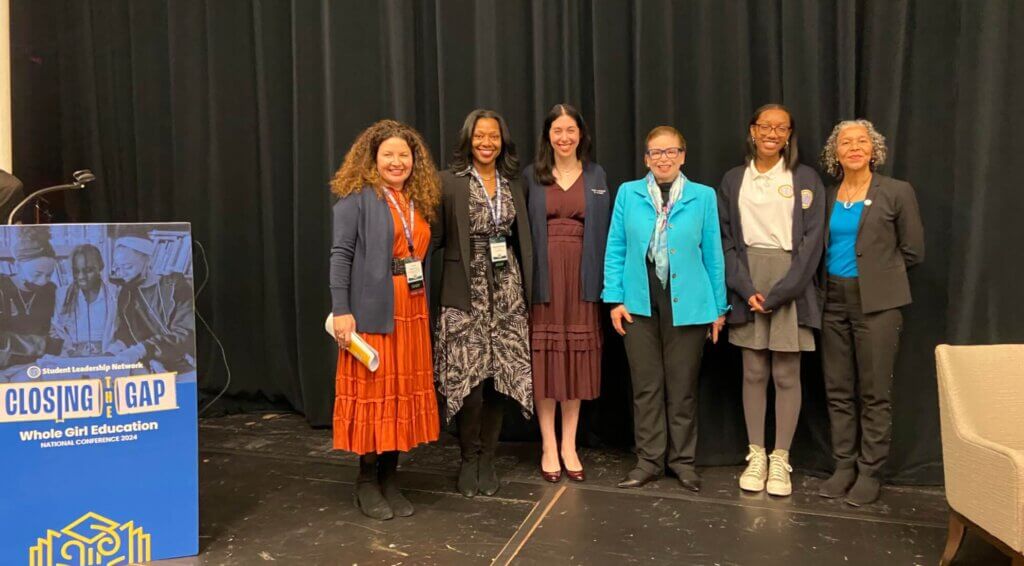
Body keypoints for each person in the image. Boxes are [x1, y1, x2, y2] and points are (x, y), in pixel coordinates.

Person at [603, 125, 728, 492]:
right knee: (646, 386)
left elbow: (714, 254)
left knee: (682, 386)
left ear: (683, 155)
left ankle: (683, 462)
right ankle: (649, 461)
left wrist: (719, 309)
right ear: (646, 159)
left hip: (689, 301)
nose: (663, 159)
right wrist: (615, 298)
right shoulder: (629, 193)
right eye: (656, 153)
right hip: (639, 300)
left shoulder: (703, 197)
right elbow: (616, 247)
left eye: (670, 151)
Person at [329, 119, 442, 520]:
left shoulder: (418, 200)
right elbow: (340, 256)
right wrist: (342, 311)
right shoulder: (356, 198)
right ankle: (365, 482)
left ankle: (390, 477)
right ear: (373, 158)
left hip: (411, 309)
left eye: (404, 155)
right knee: (375, 396)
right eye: (388, 155)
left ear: (415, 161)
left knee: (400, 396)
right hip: (373, 310)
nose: (397, 162)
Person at [717, 104, 825, 497]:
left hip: (790, 283)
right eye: (765, 126)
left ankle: (781, 458)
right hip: (749, 281)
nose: (772, 133)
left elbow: (813, 244)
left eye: (781, 128)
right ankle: (756, 454)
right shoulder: (733, 180)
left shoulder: (805, 177)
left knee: (786, 373)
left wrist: (781, 293)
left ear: (789, 134)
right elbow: (726, 241)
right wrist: (746, 289)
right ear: (752, 130)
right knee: (753, 371)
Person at [817, 119, 924, 506]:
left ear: (873, 149)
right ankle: (843, 466)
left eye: (862, 141)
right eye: (846, 142)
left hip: (877, 303)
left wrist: (879, 276)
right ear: (836, 152)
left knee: (875, 392)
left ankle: (869, 472)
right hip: (832, 301)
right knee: (838, 389)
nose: (854, 148)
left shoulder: (896, 191)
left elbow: (913, 250)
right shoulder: (828, 195)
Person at [432, 109, 534, 498]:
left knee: (498, 381)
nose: (486, 143)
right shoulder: (450, 182)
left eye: (493, 137)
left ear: (502, 141)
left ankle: (488, 458)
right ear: (468, 141)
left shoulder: (513, 183)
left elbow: (520, 238)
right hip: (464, 291)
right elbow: (434, 238)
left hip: (506, 289)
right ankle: (468, 457)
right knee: (469, 383)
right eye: (479, 137)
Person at [524, 104, 610, 483]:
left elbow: (607, 231)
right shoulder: (532, 176)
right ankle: (547, 444)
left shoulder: (596, 175)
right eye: (557, 130)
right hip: (543, 281)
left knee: (575, 360)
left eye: (570, 130)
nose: (564, 137)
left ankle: (569, 444)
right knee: (545, 362)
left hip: (581, 278)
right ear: (548, 136)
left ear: (580, 134)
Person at [109, 236, 196, 373]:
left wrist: (141, 350)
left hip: (187, 366)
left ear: (148, 260)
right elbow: (125, 334)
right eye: (117, 268)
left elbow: (186, 334)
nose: (122, 274)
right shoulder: (125, 294)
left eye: (128, 267)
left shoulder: (176, 286)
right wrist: (114, 350)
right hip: (151, 365)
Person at [0, 233, 57, 369]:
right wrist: (42, 344)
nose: (43, 281)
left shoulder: (50, 291)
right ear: (17, 265)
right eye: (37, 274)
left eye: (49, 275)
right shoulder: (2, 288)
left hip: (36, 366)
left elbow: (55, 333)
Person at [51, 244, 119, 356]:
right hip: (71, 359)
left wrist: (110, 354)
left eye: (88, 270)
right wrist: (71, 352)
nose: (81, 277)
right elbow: (56, 331)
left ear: (100, 267)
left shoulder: (115, 293)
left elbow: (122, 334)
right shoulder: (61, 295)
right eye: (76, 271)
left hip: (108, 357)